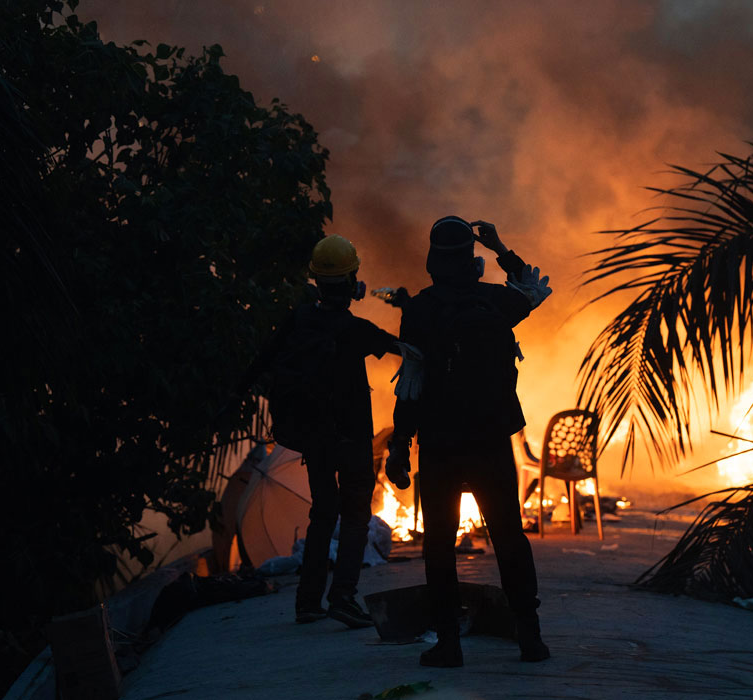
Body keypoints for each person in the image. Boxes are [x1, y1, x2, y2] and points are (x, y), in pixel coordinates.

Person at [385, 216, 552, 667]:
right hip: (492, 441)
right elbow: (533, 286)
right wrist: (500, 244)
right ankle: (530, 638)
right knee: (509, 537)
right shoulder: (496, 301)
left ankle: (448, 644)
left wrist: (399, 446)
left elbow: (410, 386)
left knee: (438, 543)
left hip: (441, 445)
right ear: (471, 259)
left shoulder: (418, 312)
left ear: (433, 262)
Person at [233, 234, 420, 627]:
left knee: (323, 515)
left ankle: (307, 603)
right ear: (352, 281)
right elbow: (408, 350)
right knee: (354, 518)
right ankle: (343, 598)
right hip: (351, 438)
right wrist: (407, 306)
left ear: (316, 281)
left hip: (313, 438)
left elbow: (263, 359)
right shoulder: (357, 330)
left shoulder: (300, 318)